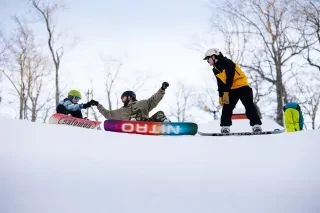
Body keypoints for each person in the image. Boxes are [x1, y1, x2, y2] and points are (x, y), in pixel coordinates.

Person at [203, 48, 262, 133]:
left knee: (249, 105)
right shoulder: (215, 69)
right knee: (226, 107)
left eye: (207, 59)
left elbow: (230, 78)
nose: (207, 61)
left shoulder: (227, 62)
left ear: (213, 57)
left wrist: (226, 92)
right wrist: (221, 96)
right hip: (231, 89)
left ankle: (256, 125)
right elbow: (220, 83)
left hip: (242, 86)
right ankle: (225, 126)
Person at [91, 82, 171, 122]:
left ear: (130, 97)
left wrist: (162, 89)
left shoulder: (143, 103)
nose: (123, 101)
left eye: (123, 98)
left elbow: (154, 100)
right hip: (132, 124)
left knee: (160, 113)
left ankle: (167, 126)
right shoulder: (122, 111)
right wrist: (98, 105)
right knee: (135, 113)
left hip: (147, 124)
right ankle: (133, 122)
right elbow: (108, 114)